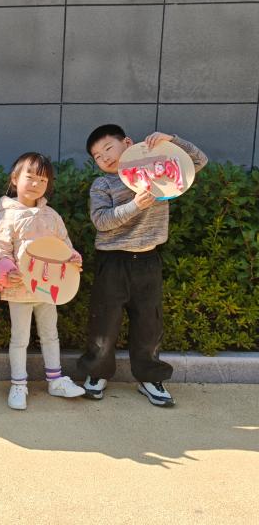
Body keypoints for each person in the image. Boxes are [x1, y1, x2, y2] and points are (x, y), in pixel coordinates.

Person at [78, 126, 208, 406]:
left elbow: (198, 161)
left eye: (108, 148)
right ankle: (96, 373)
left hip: (148, 259)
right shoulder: (102, 184)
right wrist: (135, 205)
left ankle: (149, 377)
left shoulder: (156, 168)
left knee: (149, 322)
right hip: (112, 260)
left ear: (127, 142)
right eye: (97, 156)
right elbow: (101, 221)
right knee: (104, 322)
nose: (105, 157)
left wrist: (171, 140)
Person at [0, 152, 86, 410]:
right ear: (15, 178)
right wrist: (6, 268)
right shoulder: (6, 216)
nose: (35, 183)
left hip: (49, 288)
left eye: (42, 180)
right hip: (20, 288)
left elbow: (64, 244)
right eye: (30, 177)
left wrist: (72, 258)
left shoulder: (51, 215)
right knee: (19, 338)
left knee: (50, 334)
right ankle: (18, 384)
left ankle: (55, 380)